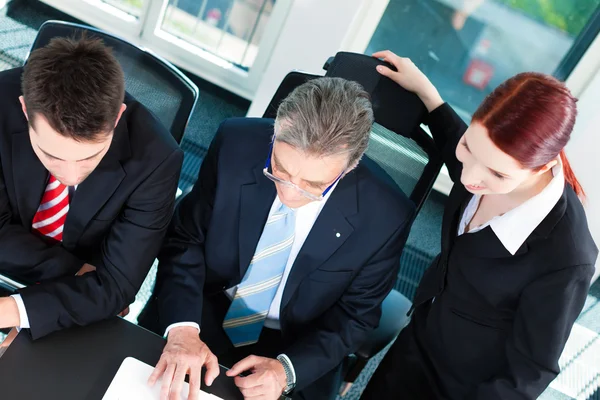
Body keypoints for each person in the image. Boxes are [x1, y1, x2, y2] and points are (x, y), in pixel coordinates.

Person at [138, 77, 416, 400]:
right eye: (279, 168)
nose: (287, 192)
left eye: (312, 185)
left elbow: (355, 318)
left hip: (297, 344)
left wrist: (288, 370)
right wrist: (183, 327)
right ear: (275, 131)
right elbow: (185, 239)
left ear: (350, 166)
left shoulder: (386, 215)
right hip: (204, 305)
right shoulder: (235, 143)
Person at [360, 51, 598, 400]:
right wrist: (426, 92)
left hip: (469, 386)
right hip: (420, 339)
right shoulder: (483, 164)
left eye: (497, 173)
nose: (470, 176)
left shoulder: (565, 255)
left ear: (542, 166)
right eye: (468, 146)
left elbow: (530, 371)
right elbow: (453, 137)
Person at [0, 37, 183, 339]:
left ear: (118, 116)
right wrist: (74, 271)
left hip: (75, 304)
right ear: (24, 110)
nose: (71, 174)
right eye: (52, 155)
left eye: (90, 156)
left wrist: (7, 311)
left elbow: (117, 288)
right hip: (78, 281)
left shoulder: (157, 159)